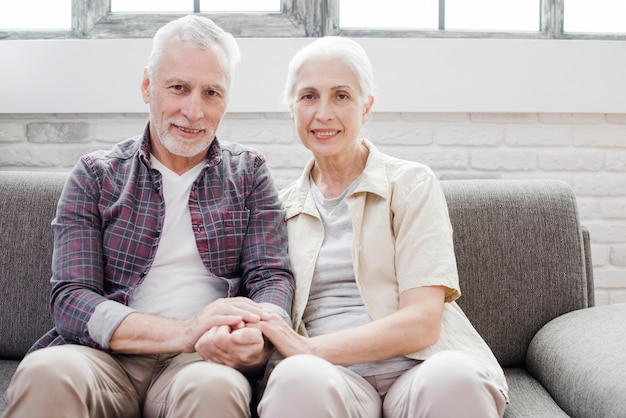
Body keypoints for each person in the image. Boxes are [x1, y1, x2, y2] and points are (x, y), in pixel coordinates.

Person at [4, 15, 294, 418]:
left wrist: (259, 333)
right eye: (178, 88)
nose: (193, 111)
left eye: (211, 92)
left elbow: (271, 277)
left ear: (226, 100)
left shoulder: (249, 173)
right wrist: (183, 330)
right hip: (106, 357)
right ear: (147, 86)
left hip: (200, 362)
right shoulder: (96, 175)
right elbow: (71, 299)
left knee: (215, 388)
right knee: (46, 372)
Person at [251, 36, 509, 418]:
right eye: (308, 97)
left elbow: (422, 323)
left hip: (421, 368)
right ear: (292, 110)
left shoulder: (410, 184)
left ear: (366, 107)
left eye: (341, 96)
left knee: (457, 379)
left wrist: (308, 349)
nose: (323, 113)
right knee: (295, 380)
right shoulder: (278, 208)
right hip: (331, 380)